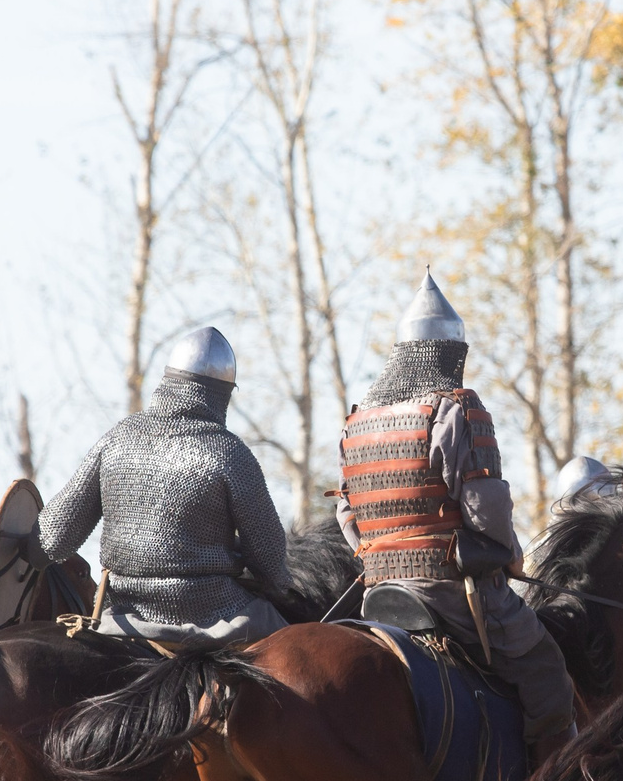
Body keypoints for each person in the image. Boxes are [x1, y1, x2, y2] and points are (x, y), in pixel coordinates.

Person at [334, 276, 576, 745]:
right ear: (452, 352)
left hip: (378, 597)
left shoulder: (358, 420)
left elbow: (348, 514)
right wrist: (509, 556)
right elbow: (485, 509)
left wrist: (381, 559)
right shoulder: (458, 410)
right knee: (547, 671)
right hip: (453, 597)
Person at [40, 326, 293, 647]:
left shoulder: (118, 438)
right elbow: (270, 564)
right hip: (215, 615)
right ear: (222, 393)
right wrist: (282, 585)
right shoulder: (228, 452)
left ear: (168, 380)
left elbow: (53, 538)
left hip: (121, 616)